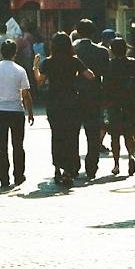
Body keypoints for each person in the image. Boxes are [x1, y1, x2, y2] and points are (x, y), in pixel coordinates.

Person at [32, 32, 94, 186]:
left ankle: (57, 168)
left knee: (57, 135)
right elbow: (90, 76)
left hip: (54, 103)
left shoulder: (48, 62)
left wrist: (35, 66)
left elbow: (40, 80)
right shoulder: (74, 61)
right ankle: (69, 170)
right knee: (72, 137)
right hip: (72, 102)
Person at [0, 39, 34, 189]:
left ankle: (3, 178)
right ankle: (19, 175)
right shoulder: (20, 70)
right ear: (15, 53)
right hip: (16, 111)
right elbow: (26, 94)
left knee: (1, 147)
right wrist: (30, 112)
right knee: (18, 145)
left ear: (1, 52)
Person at [72, 19, 110, 179]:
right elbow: (106, 75)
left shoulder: (71, 50)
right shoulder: (102, 51)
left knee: (73, 132)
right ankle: (92, 166)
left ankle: (73, 165)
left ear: (78, 32)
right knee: (93, 132)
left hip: (74, 95)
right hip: (94, 94)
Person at [103, 37, 135, 177]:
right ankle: (131, 155)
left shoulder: (109, 65)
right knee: (129, 133)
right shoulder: (132, 63)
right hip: (129, 103)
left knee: (114, 136)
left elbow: (106, 85)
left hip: (114, 103)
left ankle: (116, 164)